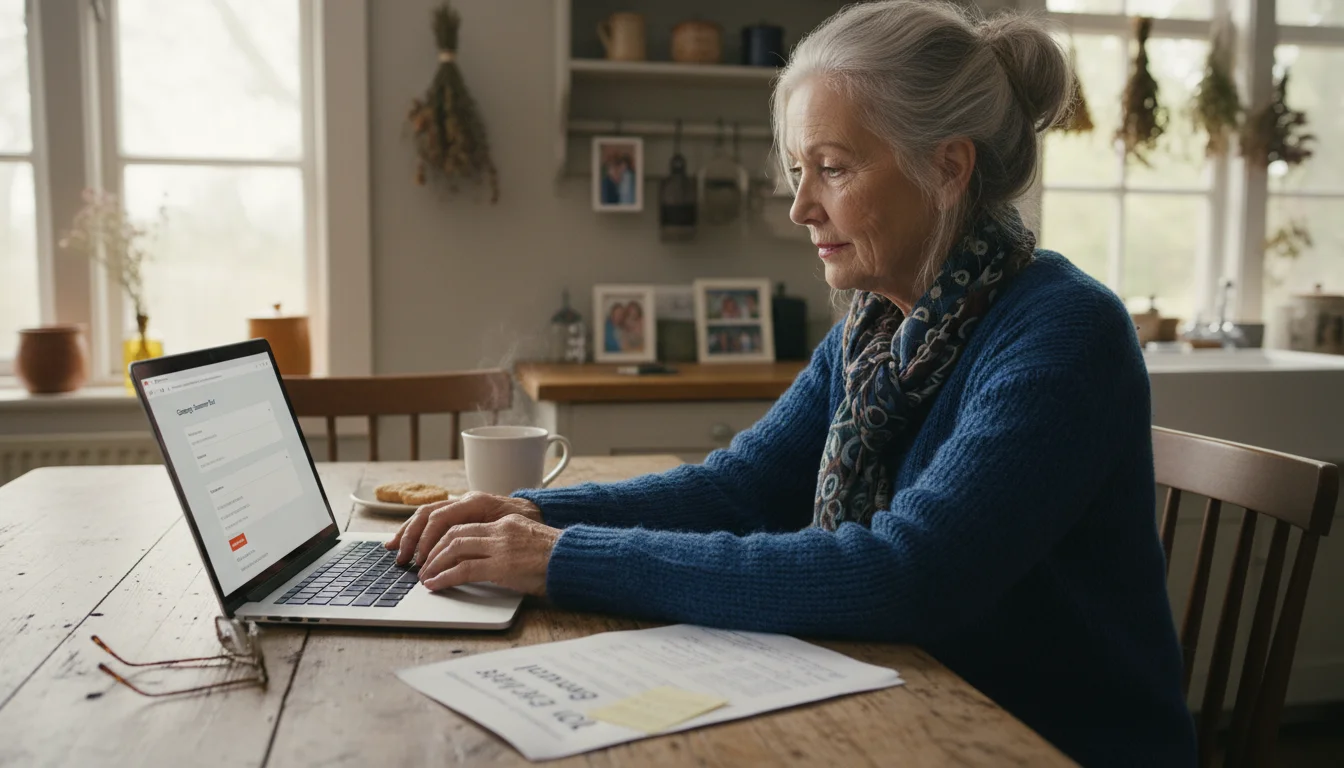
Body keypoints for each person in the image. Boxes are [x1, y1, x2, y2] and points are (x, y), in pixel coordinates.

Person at [388, 3, 1195, 764]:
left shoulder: (1063, 334)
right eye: (798, 169)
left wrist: (562, 557)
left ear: (948, 168)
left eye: (833, 169)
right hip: (904, 703)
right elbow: (740, 487)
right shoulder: (876, 330)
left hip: (1044, 742)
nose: (801, 206)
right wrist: (532, 511)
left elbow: (903, 573)